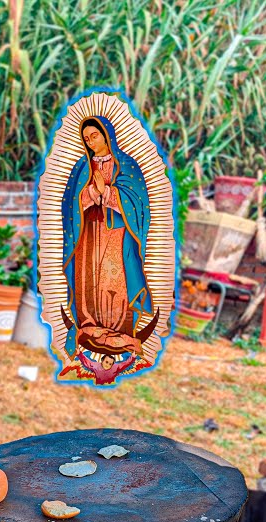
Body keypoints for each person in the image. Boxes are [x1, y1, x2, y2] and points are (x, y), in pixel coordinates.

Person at [59, 115, 156, 361]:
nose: (91, 142)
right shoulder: (82, 167)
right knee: (88, 275)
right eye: (86, 138)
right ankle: (89, 323)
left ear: (106, 135)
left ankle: (119, 329)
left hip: (116, 232)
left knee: (114, 277)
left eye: (95, 135)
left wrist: (109, 193)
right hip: (88, 231)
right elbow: (69, 203)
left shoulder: (126, 165)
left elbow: (138, 201)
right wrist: (91, 193)